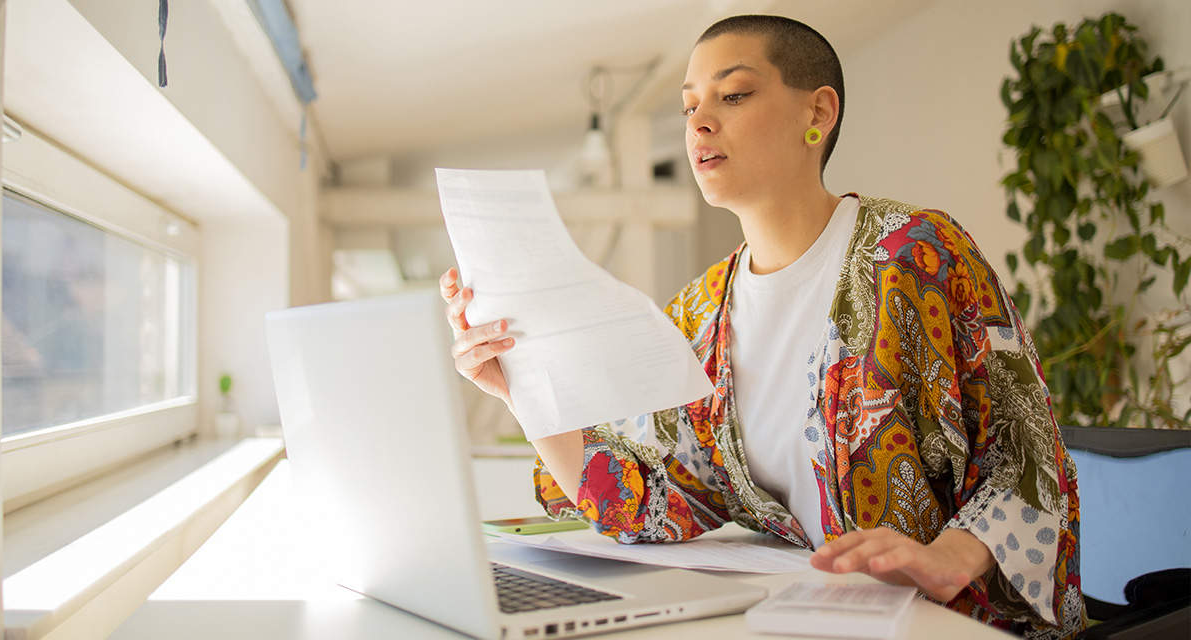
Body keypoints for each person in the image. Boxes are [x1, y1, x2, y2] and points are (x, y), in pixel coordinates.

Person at [439, 14, 1084, 639]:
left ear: (818, 112)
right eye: (689, 106)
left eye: (734, 95)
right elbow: (655, 498)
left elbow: (1027, 448)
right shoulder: (701, 314)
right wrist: (520, 390)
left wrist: (950, 557)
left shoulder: (915, 253)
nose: (700, 123)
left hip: (945, 621)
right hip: (808, 616)